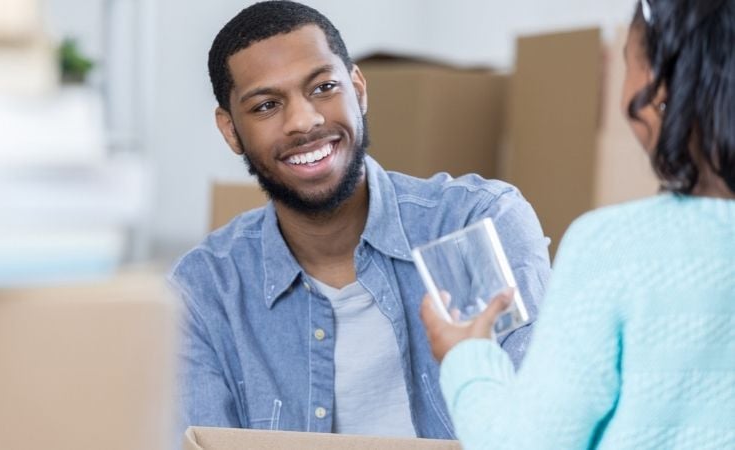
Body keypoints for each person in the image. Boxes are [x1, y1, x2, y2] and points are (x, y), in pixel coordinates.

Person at [171, 0, 551, 438]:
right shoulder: (204, 292)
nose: (304, 121)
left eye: (323, 87)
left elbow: (535, 431)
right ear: (230, 130)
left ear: (359, 89)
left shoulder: (474, 225)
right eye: (265, 106)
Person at [420, 0, 735, 448]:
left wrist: (466, 356)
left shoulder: (614, 245)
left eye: (626, 60)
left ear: (656, 89)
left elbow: (526, 443)